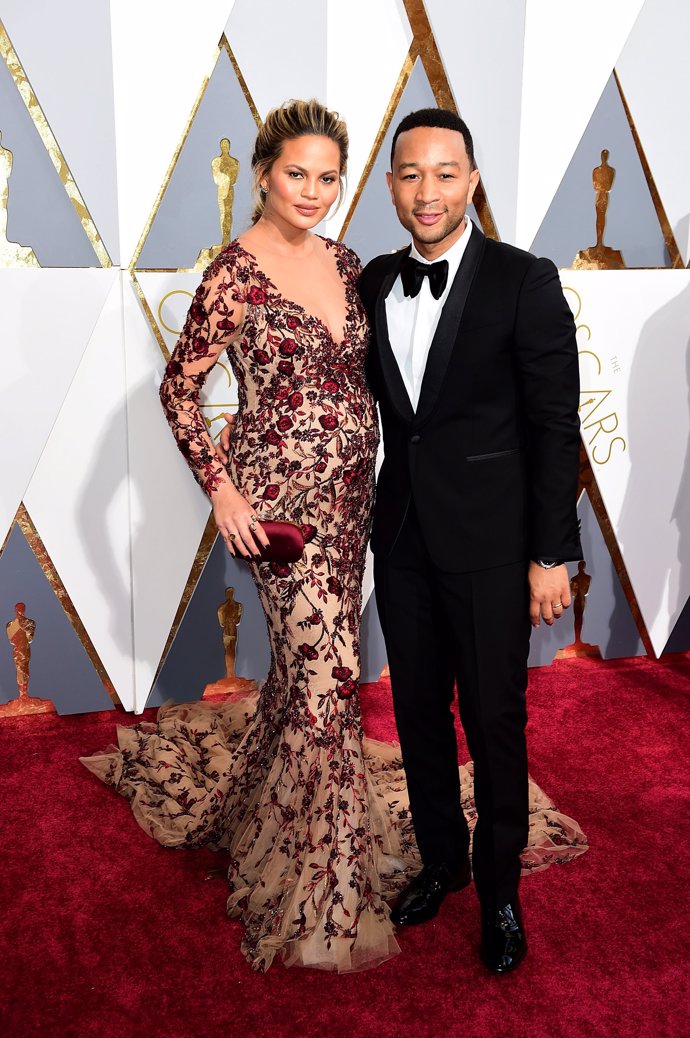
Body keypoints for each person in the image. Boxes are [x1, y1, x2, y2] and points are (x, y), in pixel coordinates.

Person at [82, 99, 416, 974]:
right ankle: (322, 883)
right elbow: (177, 390)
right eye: (296, 173)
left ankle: (261, 809)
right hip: (281, 510)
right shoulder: (235, 272)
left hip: (351, 501)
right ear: (263, 174)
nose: (312, 190)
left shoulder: (348, 265)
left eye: (328, 177)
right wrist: (223, 489)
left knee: (319, 674)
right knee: (329, 675)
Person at [357, 108, 583, 973]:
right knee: (416, 713)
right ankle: (442, 861)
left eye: (444, 174)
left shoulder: (523, 280)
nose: (427, 192)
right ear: (390, 186)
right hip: (404, 537)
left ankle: (500, 894)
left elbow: (555, 425)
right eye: (410, 174)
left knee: (494, 722)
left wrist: (551, 553)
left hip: (494, 545)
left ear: (473, 181)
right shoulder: (375, 280)